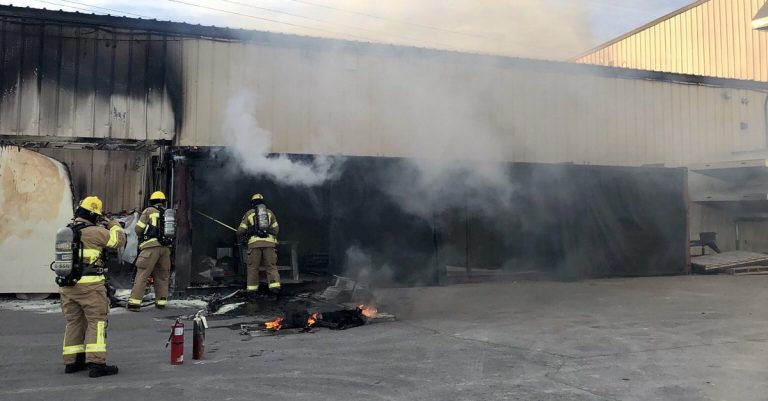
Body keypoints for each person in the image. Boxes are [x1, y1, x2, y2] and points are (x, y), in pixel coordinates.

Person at [58, 196, 126, 377]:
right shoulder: (95, 232)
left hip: (67, 287)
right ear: (94, 215)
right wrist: (113, 224)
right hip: (91, 287)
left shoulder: (67, 230)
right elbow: (118, 241)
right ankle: (96, 363)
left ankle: (72, 362)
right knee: (97, 322)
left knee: (74, 322)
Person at [127, 191, 172, 311]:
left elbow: (138, 229)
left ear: (152, 201)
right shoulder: (168, 213)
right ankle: (161, 301)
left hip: (150, 247)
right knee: (162, 276)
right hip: (165, 248)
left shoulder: (148, 211)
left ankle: (134, 303)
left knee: (142, 274)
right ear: (163, 202)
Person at [237, 193, 281, 295]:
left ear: (252, 204)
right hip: (269, 244)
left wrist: (244, 234)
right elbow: (276, 229)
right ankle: (275, 287)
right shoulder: (270, 213)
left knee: (253, 267)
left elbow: (240, 231)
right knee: (271, 266)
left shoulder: (249, 214)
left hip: (254, 244)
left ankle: (252, 291)